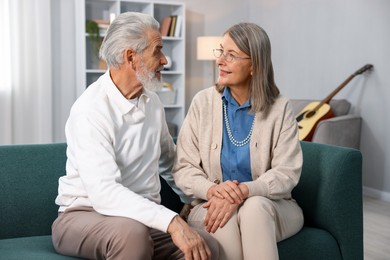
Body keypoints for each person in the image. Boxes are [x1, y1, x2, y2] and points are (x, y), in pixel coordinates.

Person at [52, 12, 219, 260]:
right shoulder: (90, 110)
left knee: (206, 247)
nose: (165, 60)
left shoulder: (151, 102)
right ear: (131, 57)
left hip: (139, 218)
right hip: (84, 215)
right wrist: (172, 221)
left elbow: (169, 162)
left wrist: (196, 198)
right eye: (157, 51)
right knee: (132, 235)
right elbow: (104, 193)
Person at [172, 22, 304, 260]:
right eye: (221, 51)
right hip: (209, 204)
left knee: (254, 209)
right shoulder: (203, 102)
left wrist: (245, 191)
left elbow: (287, 172)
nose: (220, 60)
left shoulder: (280, 107)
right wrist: (213, 190)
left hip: (272, 206)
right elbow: (183, 168)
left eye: (231, 55)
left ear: (254, 65)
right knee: (224, 218)